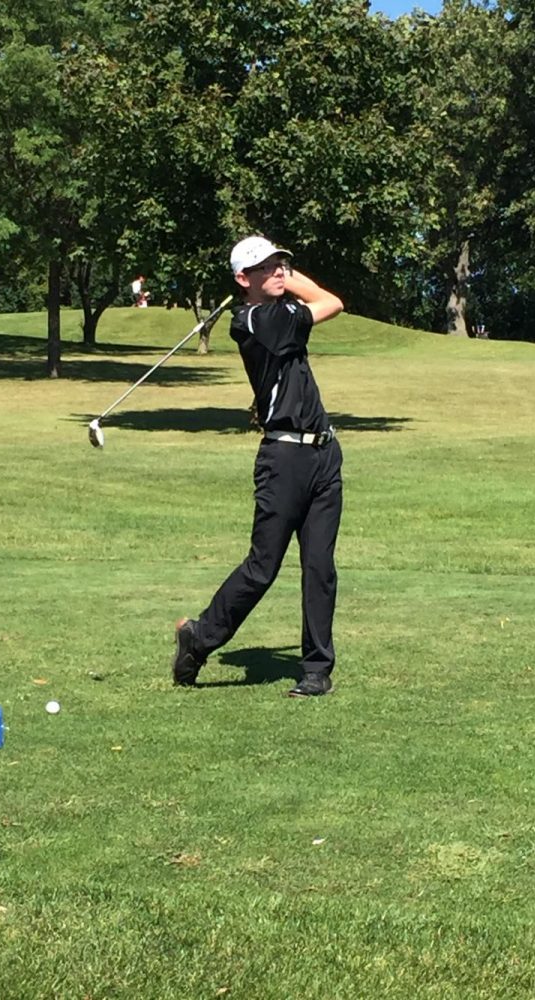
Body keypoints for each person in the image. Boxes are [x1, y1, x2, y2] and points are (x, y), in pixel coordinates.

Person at [172, 235, 345, 697]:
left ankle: (316, 670)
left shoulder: (273, 308)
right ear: (243, 279)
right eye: (267, 268)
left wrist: (284, 273)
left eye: (281, 266)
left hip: (324, 453)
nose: (278, 274)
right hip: (283, 458)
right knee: (263, 566)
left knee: (320, 567)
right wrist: (292, 282)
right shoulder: (254, 320)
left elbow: (324, 301)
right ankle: (200, 636)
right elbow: (331, 302)